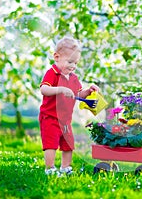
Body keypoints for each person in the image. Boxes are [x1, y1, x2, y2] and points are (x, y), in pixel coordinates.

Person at [39, 36, 99, 175]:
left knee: (68, 145)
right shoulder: (52, 73)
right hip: (50, 117)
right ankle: (50, 168)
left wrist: (89, 91)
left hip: (65, 120)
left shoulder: (73, 77)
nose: (73, 66)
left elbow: (79, 94)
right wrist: (60, 89)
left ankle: (65, 167)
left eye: (76, 63)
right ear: (57, 57)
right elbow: (44, 89)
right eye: (70, 61)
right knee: (51, 144)